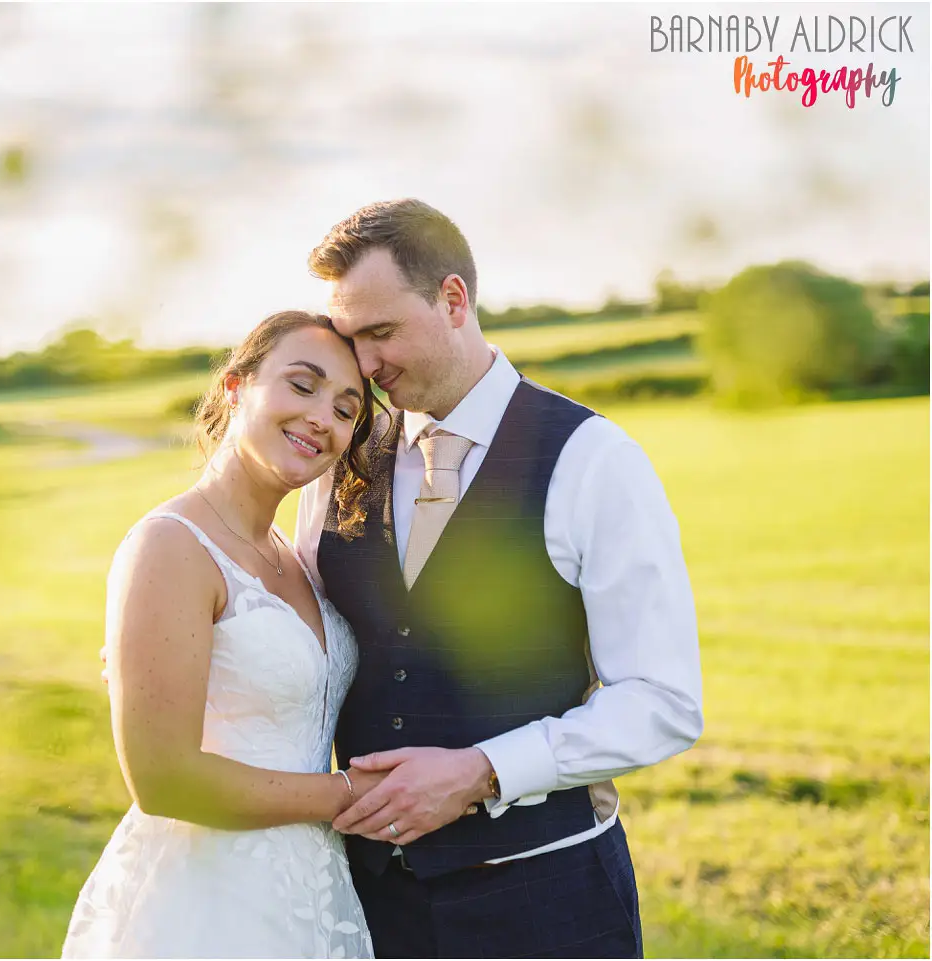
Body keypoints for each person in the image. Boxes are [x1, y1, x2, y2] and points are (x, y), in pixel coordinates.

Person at [293, 198, 704, 958]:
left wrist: (484, 771)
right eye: (352, 340)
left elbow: (664, 701)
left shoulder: (593, 458)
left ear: (453, 300)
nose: (367, 365)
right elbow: (305, 643)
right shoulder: (343, 459)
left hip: (548, 903)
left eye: (381, 332)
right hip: (366, 905)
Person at [63, 310, 385, 958]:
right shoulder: (170, 545)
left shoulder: (298, 557)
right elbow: (162, 779)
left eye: (345, 409)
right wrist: (350, 794)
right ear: (236, 387)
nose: (321, 418)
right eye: (302, 385)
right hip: (208, 897)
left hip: (310, 890)